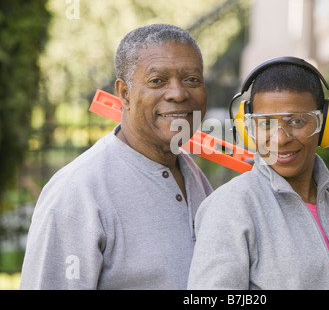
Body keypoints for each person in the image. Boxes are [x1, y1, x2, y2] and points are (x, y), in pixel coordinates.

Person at [20, 24, 213, 289]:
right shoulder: (77, 194)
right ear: (124, 94)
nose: (178, 93)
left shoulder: (196, 180)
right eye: (157, 80)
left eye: (192, 79)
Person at [187, 59, 329, 290]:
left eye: (297, 121)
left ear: (326, 124)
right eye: (265, 123)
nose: (281, 138)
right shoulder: (230, 208)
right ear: (248, 130)